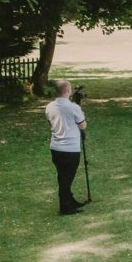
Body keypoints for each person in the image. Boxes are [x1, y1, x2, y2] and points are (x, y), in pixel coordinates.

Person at [46, 79, 87, 215]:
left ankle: (70, 200)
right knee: (66, 178)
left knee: (63, 176)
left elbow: (51, 122)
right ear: (68, 91)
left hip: (56, 147)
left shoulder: (49, 106)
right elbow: (83, 125)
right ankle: (65, 207)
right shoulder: (73, 107)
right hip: (70, 148)